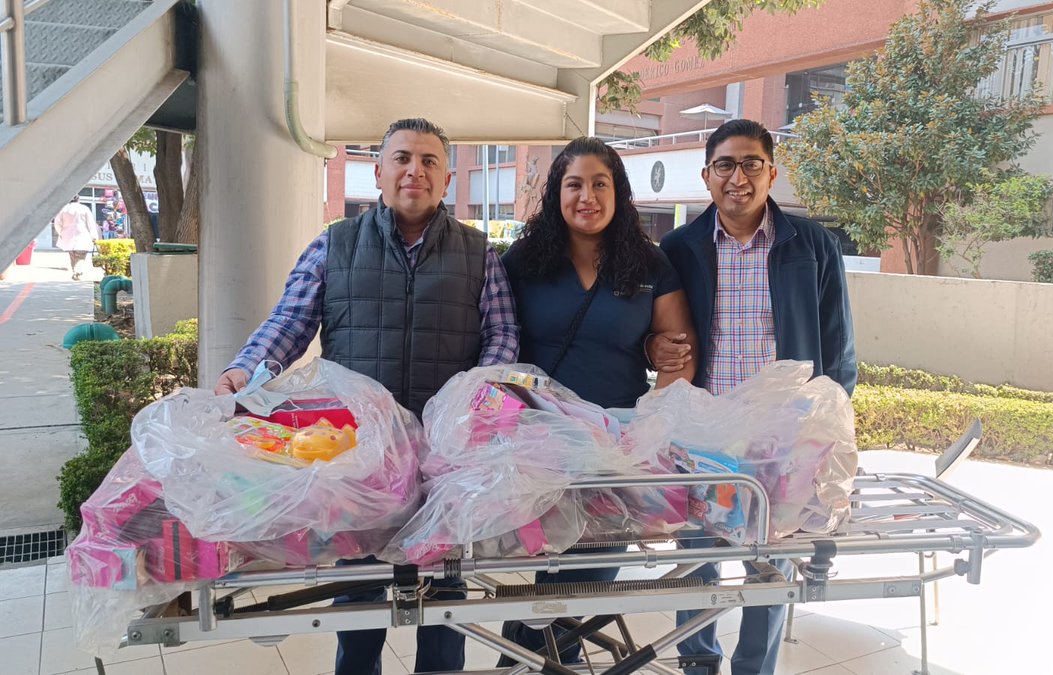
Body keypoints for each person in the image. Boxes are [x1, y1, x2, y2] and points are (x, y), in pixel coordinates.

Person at [213, 118, 519, 675]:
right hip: (355, 457)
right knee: (358, 599)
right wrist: (244, 372)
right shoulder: (334, 244)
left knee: (443, 601)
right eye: (402, 158)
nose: (414, 171)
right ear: (378, 172)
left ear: (447, 179)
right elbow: (289, 323)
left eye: (429, 161)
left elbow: (501, 334)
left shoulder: (480, 254)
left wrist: (476, 399)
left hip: (442, 456)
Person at [652, 119, 856, 675]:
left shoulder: (811, 246)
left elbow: (837, 348)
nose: (737, 177)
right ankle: (698, 661)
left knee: (771, 562)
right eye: (724, 165)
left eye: (750, 164)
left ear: (771, 170)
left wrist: (827, 431)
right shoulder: (679, 248)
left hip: (781, 437)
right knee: (698, 557)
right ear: (706, 175)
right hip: (705, 435)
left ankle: (753, 669)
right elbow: (657, 333)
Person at [497, 136, 697, 663]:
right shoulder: (524, 259)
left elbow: (679, 354)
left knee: (590, 571)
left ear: (619, 192)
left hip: (616, 446)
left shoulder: (649, 264)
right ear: (557, 194)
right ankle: (524, 661)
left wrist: (646, 431)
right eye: (574, 184)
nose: (587, 196)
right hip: (542, 441)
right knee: (552, 569)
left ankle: (519, 661)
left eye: (600, 183)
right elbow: (496, 340)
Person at [53, 195, 100, 280]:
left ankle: (76, 271)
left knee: (72, 255)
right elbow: (91, 224)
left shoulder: (64, 209)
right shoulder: (84, 208)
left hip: (68, 236)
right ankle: (77, 271)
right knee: (81, 255)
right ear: (78, 199)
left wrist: (61, 232)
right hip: (82, 235)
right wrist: (94, 236)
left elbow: (57, 223)